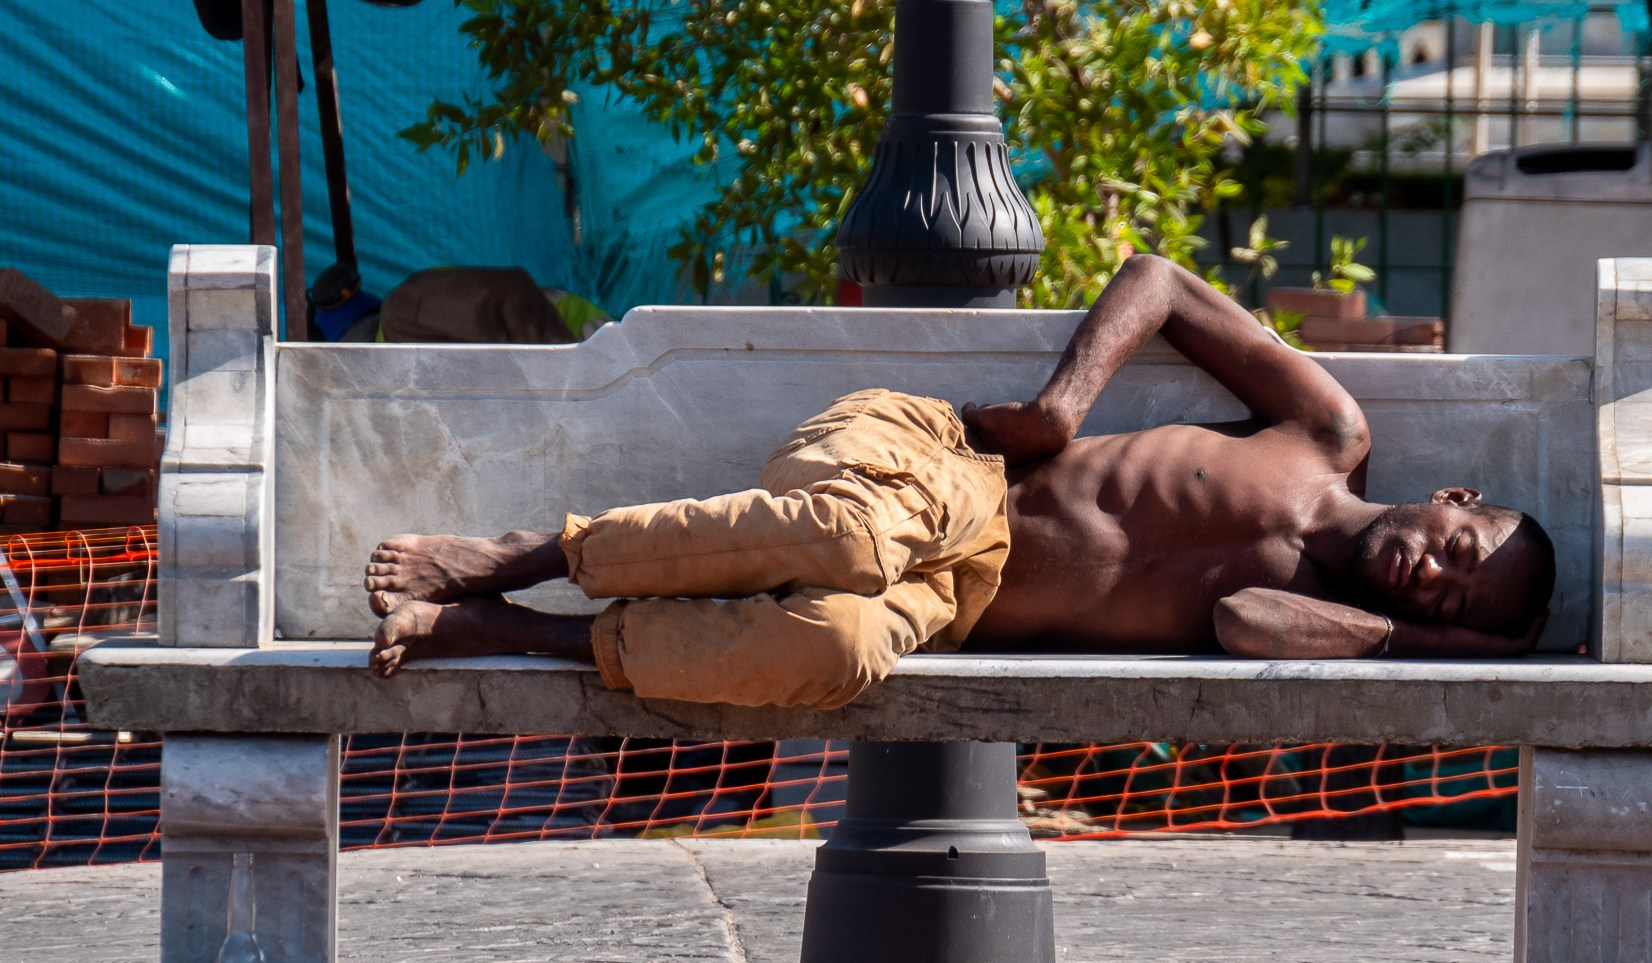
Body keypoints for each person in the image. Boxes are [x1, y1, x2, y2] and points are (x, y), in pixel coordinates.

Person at [365, 254, 1557, 709]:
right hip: (936, 473)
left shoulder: (1315, 617)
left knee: (836, 648)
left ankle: (501, 628)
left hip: (949, 601)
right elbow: (1165, 282)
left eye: (1449, 603)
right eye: (1457, 553)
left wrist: (1442, 649)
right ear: (1451, 499)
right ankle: (516, 554)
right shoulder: (1325, 432)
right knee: (849, 545)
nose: (1431, 578)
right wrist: (1061, 405)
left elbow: (1241, 621)